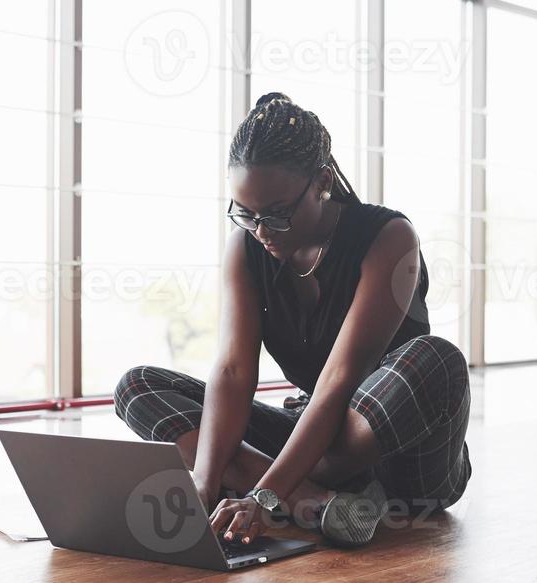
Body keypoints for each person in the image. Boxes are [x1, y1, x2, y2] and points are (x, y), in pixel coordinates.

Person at [113, 92, 472, 548]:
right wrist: (202, 483)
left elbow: (342, 376)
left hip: (397, 451)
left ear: (322, 182)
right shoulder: (245, 249)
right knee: (137, 385)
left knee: (436, 358)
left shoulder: (389, 237)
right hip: (310, 438)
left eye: (278, 214)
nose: (261, 230)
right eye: (247, 214)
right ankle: (311, 501)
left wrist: (262, 497)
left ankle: (274, 485)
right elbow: (233, 371)